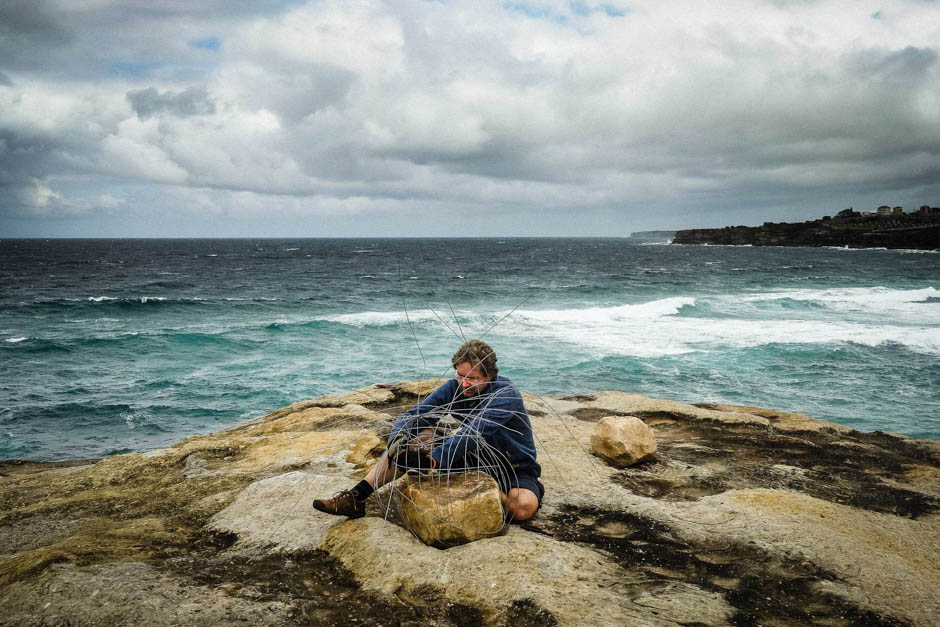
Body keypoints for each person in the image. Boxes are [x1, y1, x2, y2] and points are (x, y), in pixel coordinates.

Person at [313, 339, 544, 521]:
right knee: (411, 441)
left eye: (472, 378)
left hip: (512, 467)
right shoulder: (456, 387)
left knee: (523, 509)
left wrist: (432, 461)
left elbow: (473, 434)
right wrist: (399, 437)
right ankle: (355, 498)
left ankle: (487, 491)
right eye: (460, 375)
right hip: (473, 459)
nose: (464, 384)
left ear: (490, 375)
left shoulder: (505, 395)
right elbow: (416, 415)